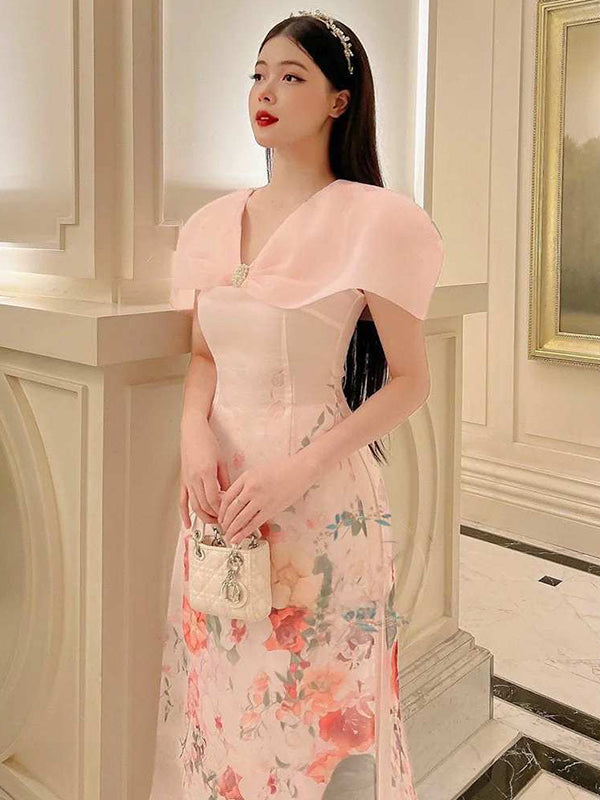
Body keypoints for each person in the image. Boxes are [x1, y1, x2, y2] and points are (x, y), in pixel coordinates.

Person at [149, 10, 443, 800]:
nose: (265, 92)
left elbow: (410, 380)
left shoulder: (377, 220)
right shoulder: (211, 224)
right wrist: (191, 433)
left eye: (291, 75)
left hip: (320, 505)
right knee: (227, 707)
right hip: (218, 502)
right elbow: (204, 356)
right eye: (258, 74)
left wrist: (297, 470)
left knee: (314, 727)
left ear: (339, 101)